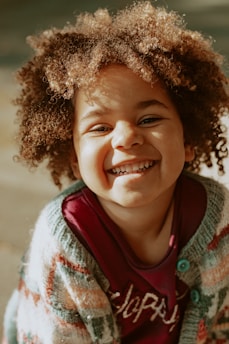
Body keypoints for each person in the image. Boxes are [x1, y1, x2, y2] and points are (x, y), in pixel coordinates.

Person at [2, 1, 229, 343]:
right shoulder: (65, 240)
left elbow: (221, 324)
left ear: (188, 141)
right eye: (99, 127)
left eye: (149, 119)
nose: (126, 138)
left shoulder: (215, 220)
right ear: (75, 159)